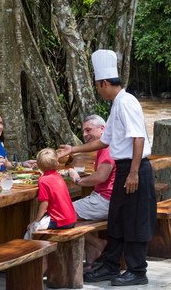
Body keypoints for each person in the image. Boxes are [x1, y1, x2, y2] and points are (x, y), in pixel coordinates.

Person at [58, 49, 155, 286]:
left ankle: (137, 270)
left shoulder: (127, 102)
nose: (98, 91)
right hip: (124, 169)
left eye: (98, 86)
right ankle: (110, 266)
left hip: (135, 168)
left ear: (104, 83)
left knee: (134, 219)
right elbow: (105, 141)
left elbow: (138, 138)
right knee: (118, 219)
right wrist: (74, 149)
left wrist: (133, 173)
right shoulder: (116, 105)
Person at [67, 114, 116, 271]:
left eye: (89, 130)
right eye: (83, 131)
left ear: (102, 129)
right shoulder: (106, 146)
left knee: (61, 215)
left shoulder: (107, 148)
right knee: (73, 217)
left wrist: (77, 180)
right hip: (107, 199)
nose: (85, 135)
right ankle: (93, 252)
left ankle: (98, 244)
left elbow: (101, 176)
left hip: (105, 201)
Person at [27, 148, 77, 235]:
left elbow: (44, 204)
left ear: (38, 165)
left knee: (31, 229)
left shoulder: (43, 180)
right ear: (57, 163)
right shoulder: (58, 176)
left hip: (61, 221)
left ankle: (33, 247)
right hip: (72, 219)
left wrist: (35, 221)